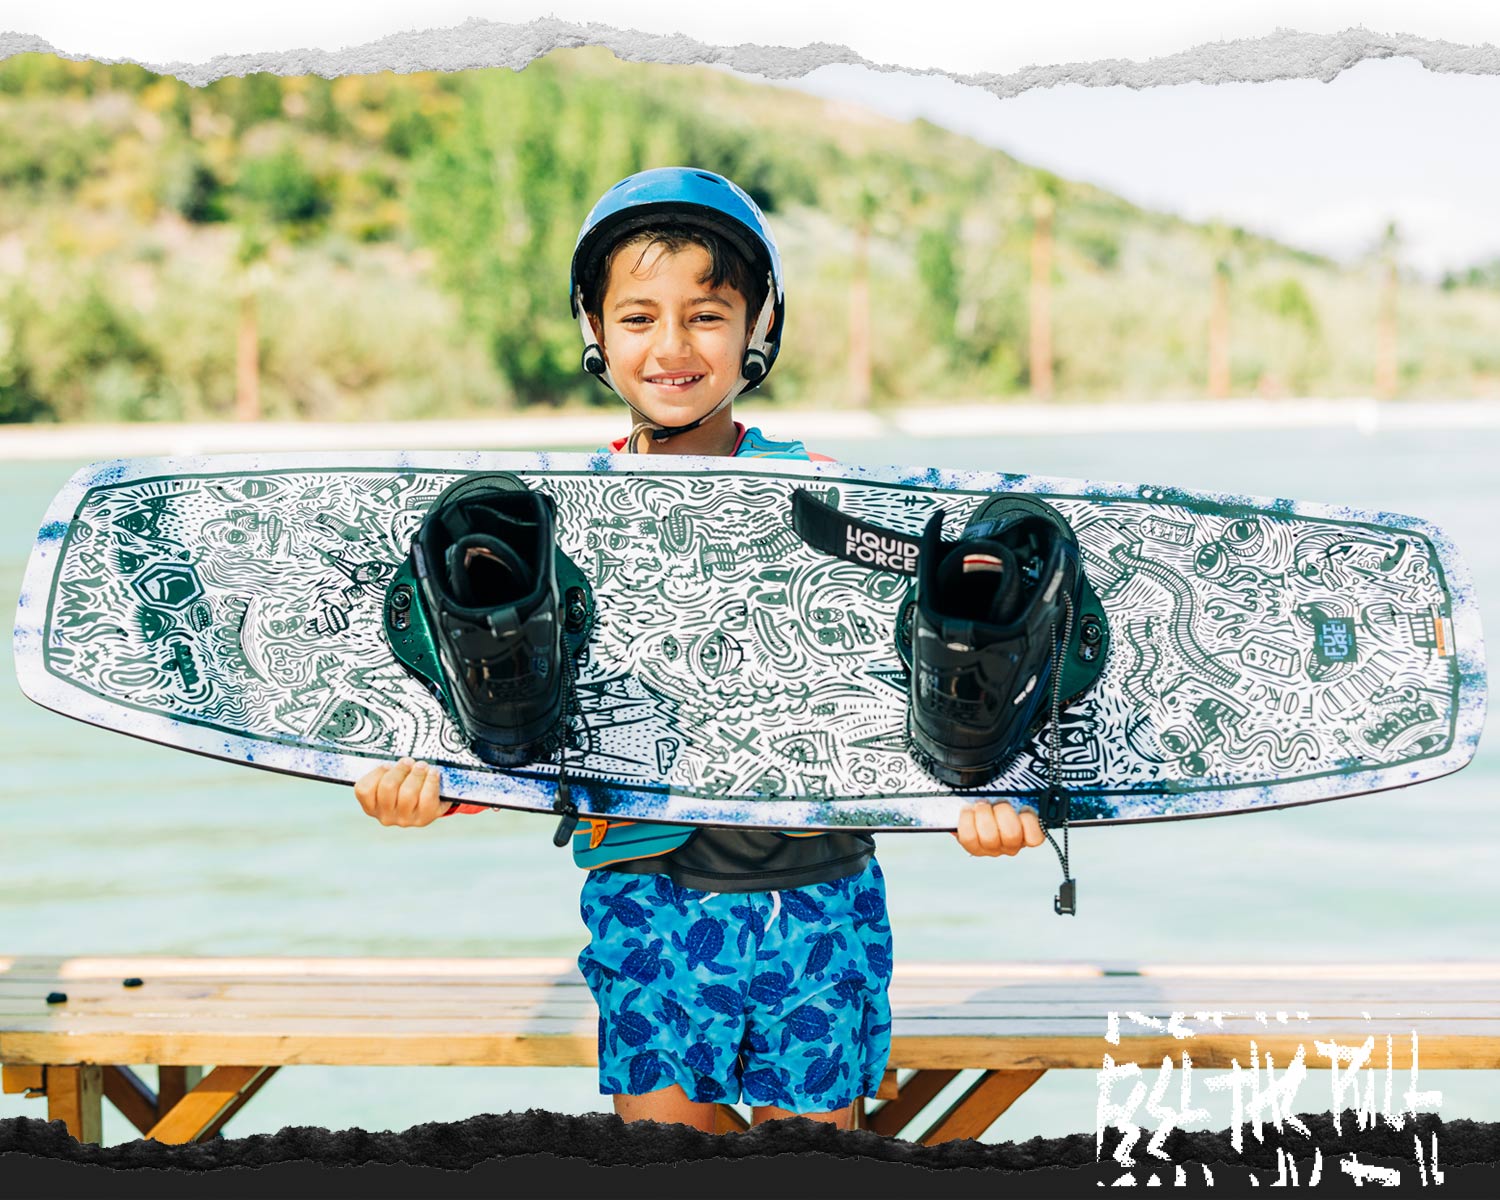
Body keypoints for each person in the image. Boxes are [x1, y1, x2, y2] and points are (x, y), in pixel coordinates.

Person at [354, 167, 1045, 1132]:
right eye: (638, 318)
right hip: (645, 896)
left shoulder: (830, 506)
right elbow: (511, 691)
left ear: (760, 325)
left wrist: (987, 793)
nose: (672, 348)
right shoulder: (544, 529)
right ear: (594, 331)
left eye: (707, 315)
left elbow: (928, 670)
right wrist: (435, 783)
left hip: (818, 894)